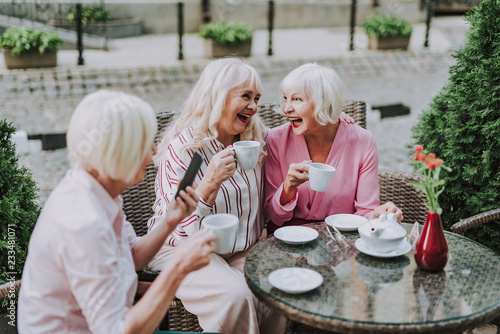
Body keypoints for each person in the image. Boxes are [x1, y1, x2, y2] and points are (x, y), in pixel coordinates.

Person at [18, 90, 216, 334]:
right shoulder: (83, 223)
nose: (154, 151)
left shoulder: (96, 188)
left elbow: (132, 257)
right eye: (146, 144)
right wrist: (178, 269)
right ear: (119, 151)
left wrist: (170, 221)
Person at [147, 58, 286, 334]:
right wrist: (209, 184)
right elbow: (179, 228)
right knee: (234, 297)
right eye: (245, 96)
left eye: (257, 98)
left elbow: (298, 132)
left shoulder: (255, 137)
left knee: (275, 286)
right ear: (218, 96)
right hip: (181, 247)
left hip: (239, 249)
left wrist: (340, 124)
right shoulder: (186, 150)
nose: (254, 106)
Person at [264, 63, 403, 233]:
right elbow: (274, 216)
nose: (286, 108)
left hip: (341, 239)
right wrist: (288, 188)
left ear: (324, 102)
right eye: (285, 98)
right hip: (286, 240)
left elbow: (365, 212)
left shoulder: (362, 141)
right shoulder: (276, 139)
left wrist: (381, 214)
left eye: (297, 99)